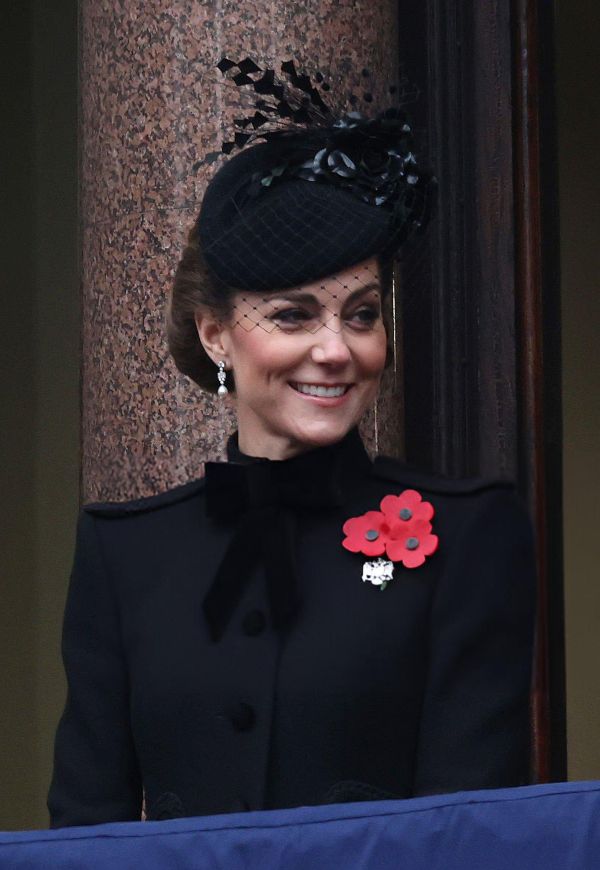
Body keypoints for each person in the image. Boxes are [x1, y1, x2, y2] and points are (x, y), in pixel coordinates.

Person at [48, 60, 535, 827]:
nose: (337, 350)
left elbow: (470, 831)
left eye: (363, 314)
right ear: (216, 336)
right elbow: (84, 831)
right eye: (293, 315)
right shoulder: (125, 554)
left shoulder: (469, 536)